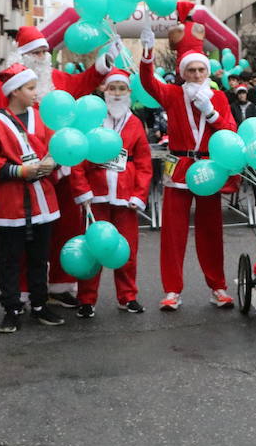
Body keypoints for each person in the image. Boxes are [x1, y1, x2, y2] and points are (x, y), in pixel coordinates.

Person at [0, 64, 84, 333]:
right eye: (30, 88)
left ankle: (39, 304)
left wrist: (53, 164)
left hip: (43, 201)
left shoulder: (42, 119)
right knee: (10, 259)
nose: (36, 93)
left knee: (40, 257)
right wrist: (20, 170)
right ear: (14, 92)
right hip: (11, 203)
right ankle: (11, 307)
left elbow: (58, 150)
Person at [139, 41, 237, 310]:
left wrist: (211, 112)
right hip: (180, 165)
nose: (196, 75)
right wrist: (147, 54)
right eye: (191, 70)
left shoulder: (218, 98)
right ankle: (172, 290)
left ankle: (217, 287)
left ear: (207, 72)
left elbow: (229, 130)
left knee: (211, 231)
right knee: (173, 232)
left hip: (209, 168)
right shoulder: (172, 94)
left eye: (200, 70)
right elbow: (148, 83)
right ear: (183, 72)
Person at [73, 70, 152, 318]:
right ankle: (86, 299)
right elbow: (77, 159)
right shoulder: (91, 121)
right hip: (95, 197)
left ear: (129, 93)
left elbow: (143, 163)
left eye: (121, 88)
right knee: (92, 249)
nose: (116, 93)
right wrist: (82, 191)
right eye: (112, 88)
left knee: (126, 249)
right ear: (103, 91)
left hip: (125, 199)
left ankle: (127, 296)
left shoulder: (135, 123)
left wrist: (139, 195)